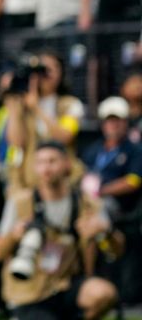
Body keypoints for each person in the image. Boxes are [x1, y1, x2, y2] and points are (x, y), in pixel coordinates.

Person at [0, 141, 118, 320]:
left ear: (66, 163)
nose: (46, 168)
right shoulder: (20, 202)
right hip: (30, 291)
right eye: (41, 162)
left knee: (103, 293)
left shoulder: (86, 202)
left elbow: (118, 250)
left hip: (66, 284)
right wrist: (14, 236)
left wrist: (106, 230)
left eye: (52, 161)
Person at [81, 96, 142, 304]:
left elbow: (134, 181)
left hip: (119, 208)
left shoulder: (134, 149)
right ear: (103, 123)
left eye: (118, 120)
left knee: (93, 219)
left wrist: (102, 190)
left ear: (126, 122)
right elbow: (83, 174)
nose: (113, 125)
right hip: (88, 203)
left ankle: (90, 275)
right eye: (109, 120)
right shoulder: (95, 149)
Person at [3, 51, 85, 192]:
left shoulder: (70, 104)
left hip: (62, 183)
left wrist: (37, 108)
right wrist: (14, 107)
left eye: (52, 69)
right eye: (42, 69)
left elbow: (64, 137)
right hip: (28, 181)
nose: (47, 74)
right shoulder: (22, 105)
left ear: (61, 73)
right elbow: (16, 143)